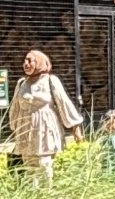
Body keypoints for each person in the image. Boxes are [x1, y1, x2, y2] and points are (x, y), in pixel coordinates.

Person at [7, 47, 82, 183]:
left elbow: (63, 102)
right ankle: (33, 196)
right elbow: (15, 107)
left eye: (30, 60)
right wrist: (14, 127)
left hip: (45, 128)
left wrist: (75, 127)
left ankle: (46, 192)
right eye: (25, 60)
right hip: (26, 129)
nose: (26, 63)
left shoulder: (51, 80)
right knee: (29, 164)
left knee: (44, 163)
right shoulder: (21, 83)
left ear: (40, 62)